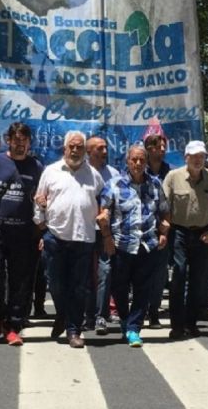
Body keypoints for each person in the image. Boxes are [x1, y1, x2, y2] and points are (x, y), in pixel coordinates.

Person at [35, 131, 104, 348]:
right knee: (55, 284)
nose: (75, 150)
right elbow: (39, 199)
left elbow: (104, 200)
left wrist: (104, 215)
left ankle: (73, 329)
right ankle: (62, 315)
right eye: (71, 146)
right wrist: (41, 224)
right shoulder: (51, 171)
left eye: (79, 147)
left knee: (78, 287)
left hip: (83, 238)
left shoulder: (94, 175)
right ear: (64, 148)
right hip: (55, 236)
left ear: (85, 150)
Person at [0, 122, 45, 346]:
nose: (20, 145)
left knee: (20, 282)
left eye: (24, 141)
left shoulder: (36, 166)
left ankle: (12, 325)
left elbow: (44, 197)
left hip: (25, 233)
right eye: (16, 140)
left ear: (29, 142)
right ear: (9, 140)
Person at [98, 145, 170, 347]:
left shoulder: (155, 184)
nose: (138, 164)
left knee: (143, 290)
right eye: (134, 160)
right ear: (127, 161)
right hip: (121, 244)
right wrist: (106, 238)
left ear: (146, 162)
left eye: (141, 160)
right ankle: (124, 319)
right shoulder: (114, 184)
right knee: (119, 288)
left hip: (147, 245)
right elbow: (103, 212)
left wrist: (164, 231)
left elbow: (164, 211)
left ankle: (133, 328)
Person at [162, 140, 208, 339]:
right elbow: (164, 207)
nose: (198, 160)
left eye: (201, 156)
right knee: (179, 276)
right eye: (194, 156)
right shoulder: (173, 177)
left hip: (203, 234)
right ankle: (177, 325)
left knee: (198, 281)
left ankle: (191, 323)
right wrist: (165, 232)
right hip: (179, 232)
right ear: (186, 158)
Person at [85, 136, 119, 335]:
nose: (105, 151)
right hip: (84, 232)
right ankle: (87, 314)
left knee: (105, 272)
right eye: (100, 148)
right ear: (89, 152)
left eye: (106, 147)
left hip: (107, 232)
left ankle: (100, 315)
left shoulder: (114, 174)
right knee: (86, 274)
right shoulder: (81, 172)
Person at [144, 133, 171, 329]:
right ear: (149, 148)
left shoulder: (169, 172)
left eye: (164, 147)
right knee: (139, 274)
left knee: (159, 274)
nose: (162, 150)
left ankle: (154, 312)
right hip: (139, 229)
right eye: (158, 146)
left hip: (162, 230)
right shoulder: (137, 168)